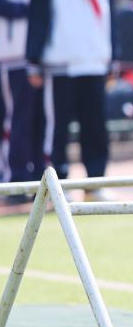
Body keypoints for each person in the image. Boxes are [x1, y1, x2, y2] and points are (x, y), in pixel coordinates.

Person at [26, 0, 116, 202]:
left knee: (96, 127)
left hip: (95, 64)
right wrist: (33, 59)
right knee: (57, 128)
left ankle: (95, 182)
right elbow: (38, 16)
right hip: (60, 65)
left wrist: (113, 57)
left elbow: (110, 18)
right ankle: (55, 185)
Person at [1, 0, 44, 206]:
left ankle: (39, 178)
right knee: (15, 121)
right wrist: (34, 9)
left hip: (37, 60)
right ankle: (14, 179)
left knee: (38, 122)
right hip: (9, 61)